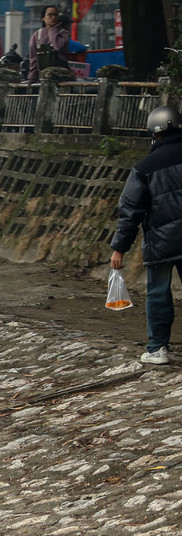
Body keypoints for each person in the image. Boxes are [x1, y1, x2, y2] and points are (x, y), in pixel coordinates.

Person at [110, 105, 182, 365]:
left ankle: (157, 348)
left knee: (159, 293)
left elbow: (130, 211)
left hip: (161, 242)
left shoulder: (144, 167)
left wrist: (120, 247)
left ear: (155, 132)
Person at [26, 5, 71, 83]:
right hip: (44, 78)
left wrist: (53, 30)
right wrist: (31, 78)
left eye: (55, 15)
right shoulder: (37, 35)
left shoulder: (63, 33)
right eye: (50, 15)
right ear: (43, 18)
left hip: (62, 78)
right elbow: (33, 59)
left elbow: (58, 47)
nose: (53, 17)